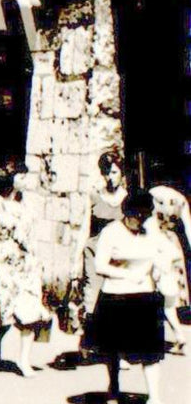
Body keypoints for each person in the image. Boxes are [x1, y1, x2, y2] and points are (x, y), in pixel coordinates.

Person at [91, 190, 171, 404]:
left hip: (145, 296)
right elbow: (100, 266)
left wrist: (159, 271)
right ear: (127, 213)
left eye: (146, 216)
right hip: (116, 297)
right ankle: (114, 388)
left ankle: (154, 398)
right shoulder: (111, 232)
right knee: (113, 350)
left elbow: (158, 255)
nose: (142, 220)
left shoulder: (149, 232)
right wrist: (126, 275)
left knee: (151, 351)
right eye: (138, 216)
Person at [0, 165, 52, 374]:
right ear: (11, 179)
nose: (26, 179)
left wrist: (38, 262)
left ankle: (23, 360)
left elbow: (33, 237)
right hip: (5, 266)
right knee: (5, 315)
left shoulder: (28, 206)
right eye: (21, 175)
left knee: (29, 312)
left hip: (26, 266)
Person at [74, 151, 128, 354]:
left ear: (121, 173)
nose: (110, 177)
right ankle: (86, 341)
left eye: (114, 172)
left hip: (118, 255)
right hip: (95, 253)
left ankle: (118, 350)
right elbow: (84, 229)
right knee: (92, 297)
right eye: (106, 172)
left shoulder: (127, 198)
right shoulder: (94, 196)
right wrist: (75, 259)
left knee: (120, 301)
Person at [148, 178, 190, 354]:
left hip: (156, 248)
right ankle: (178, 335)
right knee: (168, 300)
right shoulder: (180, 199)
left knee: (152, 294)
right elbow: (188, 227)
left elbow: (149, 226)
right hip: (172, 248)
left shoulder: (152, 195)